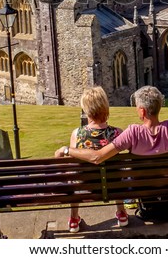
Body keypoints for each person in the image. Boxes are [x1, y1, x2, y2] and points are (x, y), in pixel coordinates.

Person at [55, 85, 168, 163]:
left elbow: (98, 157)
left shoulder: (132, 133)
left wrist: (68, 149)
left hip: (141, 188)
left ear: (141, 111)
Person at [64, 86, 127, 233]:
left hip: (85, 187)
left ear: (86, 110)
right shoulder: (118, 133)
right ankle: (122, 214)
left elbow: (72, 165)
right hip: (113, 185)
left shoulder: (77, 134)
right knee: (118, 172)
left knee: (74, 177)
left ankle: (74, 219)